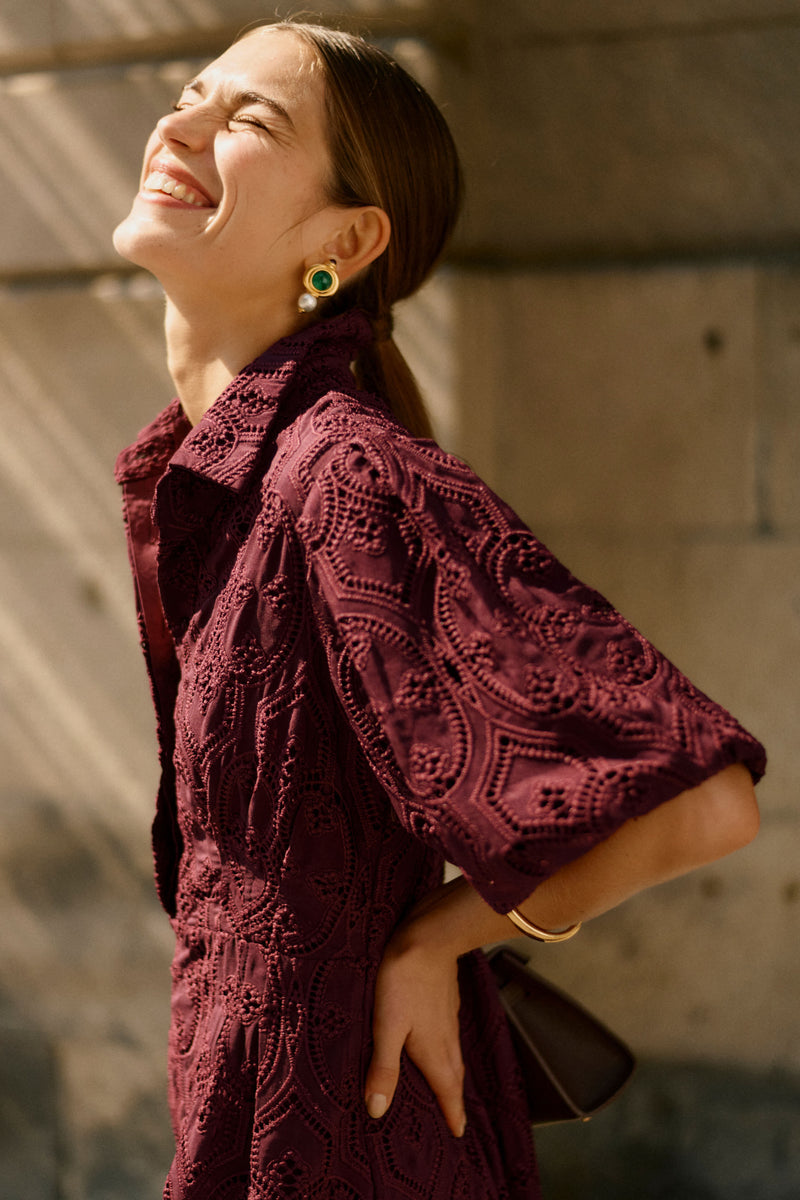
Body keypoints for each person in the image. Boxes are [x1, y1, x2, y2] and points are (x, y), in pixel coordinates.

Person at [112, 18, 766, 1199]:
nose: (182, 125)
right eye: (192, 92)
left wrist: (440, 935)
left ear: (347, 241)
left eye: (248, 119)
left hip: (354, 1138)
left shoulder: (349, 480)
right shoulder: (213, 479)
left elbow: (698, 806)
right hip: (255, 1113)